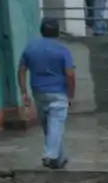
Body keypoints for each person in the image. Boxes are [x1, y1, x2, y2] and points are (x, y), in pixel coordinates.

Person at [17, 18, 76, 169]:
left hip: (38, 93)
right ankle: (49, 155)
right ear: (57, 32)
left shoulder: (30, 48)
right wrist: (70, 95)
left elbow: (21, 70)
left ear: (41, 31)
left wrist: (24, 92)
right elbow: (70, 74)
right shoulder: (62, 51)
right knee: (55, 125)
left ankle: (59, 159)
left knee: (49, 127)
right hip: (58, 93)